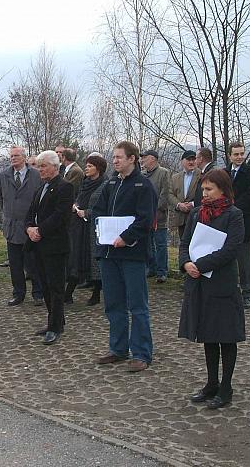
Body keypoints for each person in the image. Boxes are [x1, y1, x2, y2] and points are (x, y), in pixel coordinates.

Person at [178, 169, 246, 410]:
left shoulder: (234, 215)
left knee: (225, 337)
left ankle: (226, 387)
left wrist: (201, 264)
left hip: (222, 283)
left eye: (209, 190)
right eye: (203, 189)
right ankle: (211, 383)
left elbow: (231, 249)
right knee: (207, 335)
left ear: (223, 190)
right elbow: (185, 242)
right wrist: (186, 264)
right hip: (199, 283)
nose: (204, 194)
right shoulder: (197, 214)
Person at [91, 141, 157, 372]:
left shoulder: (143, 186)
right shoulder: (110, 183)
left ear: (132, 159)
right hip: (109, 253)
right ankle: (117, 348)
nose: (115, 161)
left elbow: (145, 220)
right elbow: (97, 210)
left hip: (132, 254)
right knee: (114, 303)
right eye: (114, 157)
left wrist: (126, 237)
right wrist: (101, 230)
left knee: (137, 305)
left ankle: (141, 353)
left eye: (119, 157)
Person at [25, 150, 74, 344]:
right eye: (38, 166)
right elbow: (31, 212)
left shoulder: (65, 187)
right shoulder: (41, 188)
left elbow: (60, 215)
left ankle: (55, 327)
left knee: (55, 287)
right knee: (44, 285)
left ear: (55, 166)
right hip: (38, 244)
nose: (40, 170)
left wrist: (40, 231)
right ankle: (55, 320)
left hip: (54, 244)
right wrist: (29, 228)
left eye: (43, 166)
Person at [0, 145, 43, 306]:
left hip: (30, 226)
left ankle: (38, 293)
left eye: (16, 155)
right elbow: (2, 198)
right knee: (15, 264)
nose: (13, 158)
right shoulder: (3, 176)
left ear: (24, 157)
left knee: (33, 263)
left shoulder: (36, 175)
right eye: (11, 156)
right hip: (11, 226)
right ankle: (18, 293)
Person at [226, 142, 250, 308]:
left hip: (244, 221)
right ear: (230, 156)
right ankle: (230, 291)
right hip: (225, 222)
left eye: (242, 154)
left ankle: (248, 292)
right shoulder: (224, 173)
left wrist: (231, 209)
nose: (239, 157)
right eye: (236, 154)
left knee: (245, 260)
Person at [70, 154, 108, 306]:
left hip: (95, 228)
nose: (86, 168)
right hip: (80, 226)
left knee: (94, 260)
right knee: (79, 257)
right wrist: (76, 206)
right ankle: (75, 287)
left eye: (90, 166)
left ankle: (96, 293)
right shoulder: (85, 183)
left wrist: (87, 212)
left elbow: (104, 208)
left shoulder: (104, 185)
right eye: (86, 165)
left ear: (98, 168)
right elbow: (79, 198)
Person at [140, 149, 172, 283]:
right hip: (146, 216)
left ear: (152, 158)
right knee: (148, 244)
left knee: (161, 244)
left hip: (159, 216)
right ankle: (151, 268)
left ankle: (162, 272)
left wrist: (156, 209)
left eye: (145, 157)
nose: (142, 160)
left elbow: (165, 194)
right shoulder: (142, 175)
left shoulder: (163, 173)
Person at [169, 150, 201, 239]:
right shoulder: (175, 178)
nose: (191, 162)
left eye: (193, 159)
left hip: (197, 217)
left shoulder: (202, 175)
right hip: (181, 218)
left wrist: (193, 204)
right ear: (182, 161)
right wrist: (179, 205)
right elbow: (170, 194)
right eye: (188, 160)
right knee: (183, 245)